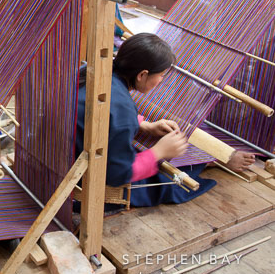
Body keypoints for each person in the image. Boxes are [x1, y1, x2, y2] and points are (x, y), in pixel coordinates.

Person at [76, 33, 218, 207]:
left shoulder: (92, 70)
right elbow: (117, 174)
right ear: (142, 75)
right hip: (77, 185)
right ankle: (208, 162)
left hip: (55, 158)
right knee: (167, 183)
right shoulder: (123, 110)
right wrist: (159, 152)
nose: (161, 80)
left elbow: (99, 109)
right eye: (162, 75)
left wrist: (145, 125)